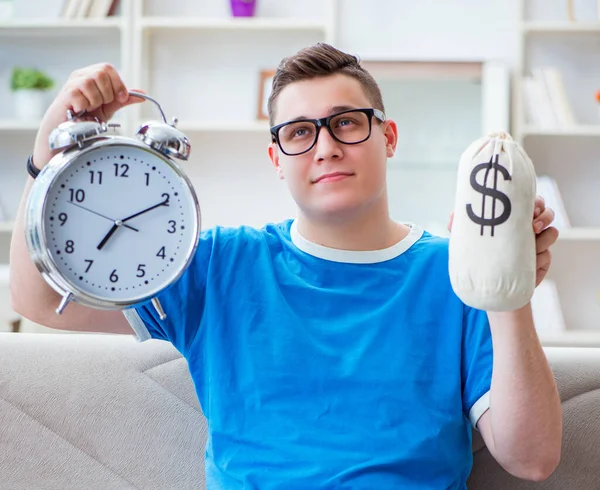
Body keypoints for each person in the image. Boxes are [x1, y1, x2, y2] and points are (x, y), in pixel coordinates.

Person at [10, 43, 562, 489]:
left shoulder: (453, 271)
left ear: (387, 137)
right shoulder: (215, 265)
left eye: (346, 123)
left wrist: (507, 287)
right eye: (299, 132)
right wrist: (48, 154)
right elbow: (39, 302)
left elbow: (531, 459)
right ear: (277, 158)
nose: (325, 147)